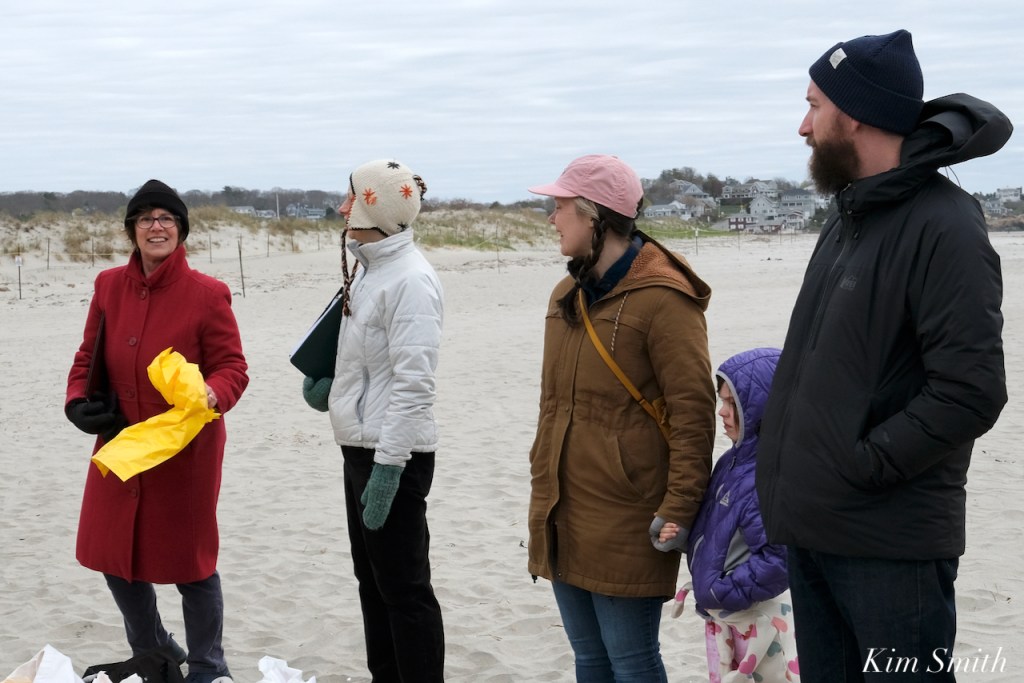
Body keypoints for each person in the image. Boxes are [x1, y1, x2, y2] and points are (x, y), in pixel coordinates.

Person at [755, 30, 1011, 681]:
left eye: (814, 106)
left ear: (856, 115)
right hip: (815, 530)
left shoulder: (946, 225)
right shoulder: (847, 217)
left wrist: (862, 464)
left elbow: (972, 390)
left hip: (888, 549)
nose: (803, 126)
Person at [526, 154, 716, 682]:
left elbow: (694, 414)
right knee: (589, 660)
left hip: (630, 514)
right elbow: (551, 406)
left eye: (560, 206)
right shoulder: (565, 295)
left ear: (594, 216)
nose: (552, 218)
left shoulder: (665, 300)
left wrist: (679, 506)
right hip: (561, 505)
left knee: (631, 661)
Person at [65, 179, 249, 683]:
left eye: (166, 218)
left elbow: (233, 368)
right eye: (145, 218)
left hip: (184, 450)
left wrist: (212, 393)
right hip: (121, 442)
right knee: (112, 555)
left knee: (193, 565)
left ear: (181, 229)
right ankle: (154, 649)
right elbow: (87, 355)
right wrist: (77, 401)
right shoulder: (108, 285)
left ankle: (208, 665)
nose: (156, 226)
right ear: (132, 230)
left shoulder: (208, 294)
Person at [301, 159, 445, 682]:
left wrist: (388, 468)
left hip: (394, 456)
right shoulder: (371, 269)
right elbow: (366, 360)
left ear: (375, 208)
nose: (342, 208)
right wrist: (332, 387)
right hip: (360, 448)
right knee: (374, 584)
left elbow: (414, 384)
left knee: (405, 591)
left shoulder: (411, 280)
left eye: (352, 198)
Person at [661, 348, 798, 682]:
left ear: (762, 409)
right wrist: (684, 536)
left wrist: (721, 592)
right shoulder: (731, 462)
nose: (721, 412)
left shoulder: (768, 479)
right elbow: (723, 530)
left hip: (758, 623)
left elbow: (780, 559)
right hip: (725, 622)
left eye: (732, 403)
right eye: (721, 401)